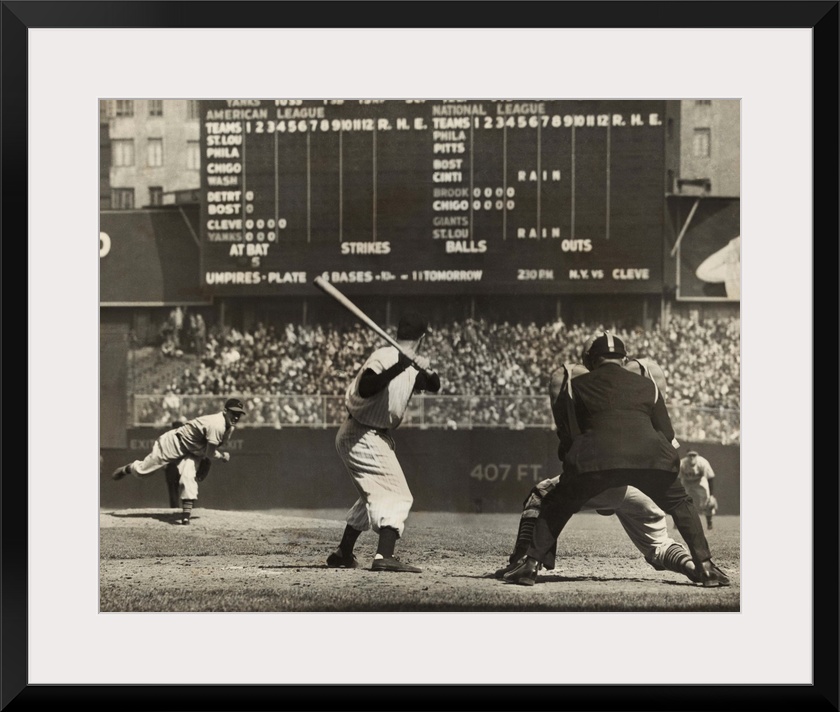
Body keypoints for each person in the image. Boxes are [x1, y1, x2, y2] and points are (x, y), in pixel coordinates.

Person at [502, 332, 729, 587]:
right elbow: (667, 433)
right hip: (648, 466)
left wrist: (574, 474)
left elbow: (569, 439)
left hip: (597, 464)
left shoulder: (574, 384)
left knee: (553, 502)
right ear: (624, 358)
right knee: (678, 508)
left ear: (590, 360)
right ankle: (704, 566)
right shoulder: (649, 382)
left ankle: (527, 564)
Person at [327, 311, 440, 573]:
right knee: (398, 495)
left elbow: (433, 385)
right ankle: (383, 556)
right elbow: (367, 386)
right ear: (422, 337)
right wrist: (401, 364)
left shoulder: (411, 365)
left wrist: (428, 371)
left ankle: (344, 552)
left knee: (372, 496)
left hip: (368, 435)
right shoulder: (384, 356)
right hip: (362, 433)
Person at [112, 398, 246, 524]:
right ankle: (128, 468)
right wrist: (221, 457)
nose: (235, 417)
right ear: (225, 411)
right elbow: (210, 453)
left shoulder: (229, 428)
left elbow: (209, 451)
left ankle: (185, 517)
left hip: (193, 450)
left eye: (239, 414)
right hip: (175, 442)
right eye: (233, 413)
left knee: (188, 476)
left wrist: (208, 457)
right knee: (143, 472)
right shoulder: (217, 424)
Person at [679, 450, 718, 530]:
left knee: (708, 502)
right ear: (687, 456)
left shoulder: (703, 462)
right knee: (680, 501)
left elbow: (710, 478)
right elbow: (678, 479)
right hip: (686, 482)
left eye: (694, 455)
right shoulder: (682, 463)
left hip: (699, 481)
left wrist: (711, 495)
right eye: (690, 455)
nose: (692, 457)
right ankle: (678, 522)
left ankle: (709, 522)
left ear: (697, 456)